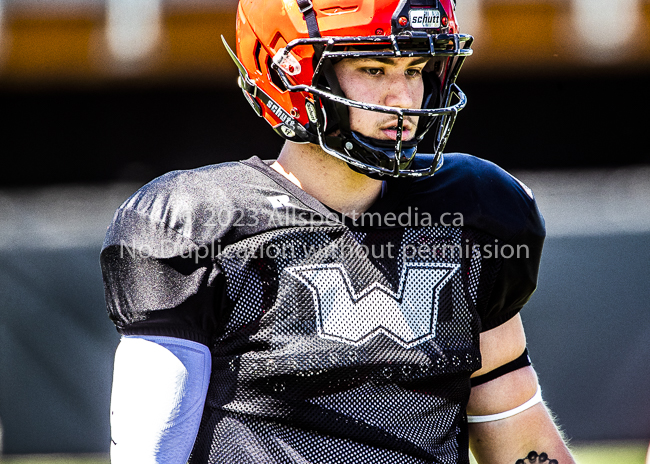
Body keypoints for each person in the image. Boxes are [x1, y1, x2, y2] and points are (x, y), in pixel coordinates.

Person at [100, 0, 576, 462]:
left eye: (414, 69)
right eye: (374, 69)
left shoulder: (471, 213)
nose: (404, 98)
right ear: (291, 73)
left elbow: (516, 430)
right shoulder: (200, 223)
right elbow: (149, 453)